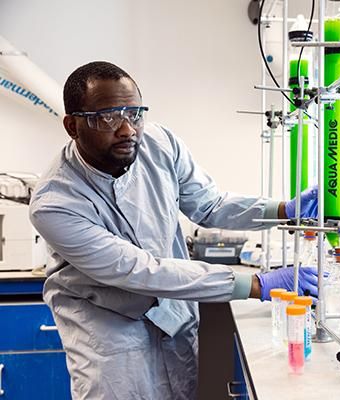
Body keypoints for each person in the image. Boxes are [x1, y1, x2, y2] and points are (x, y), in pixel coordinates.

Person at [29, 61, 319, 399]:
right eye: (109, 117)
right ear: (72, 125)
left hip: (172, 317)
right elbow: (138, 269)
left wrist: (283, 210)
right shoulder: (54, 202)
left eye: (135, 113)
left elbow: (209, 205)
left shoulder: (159, 143)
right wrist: (257, 284)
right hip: (107, 331)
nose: (127, 129)